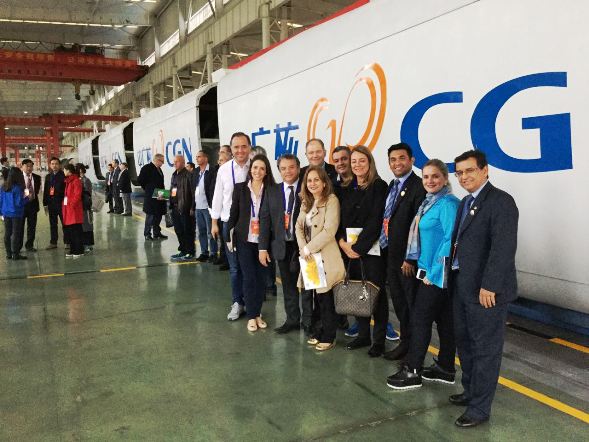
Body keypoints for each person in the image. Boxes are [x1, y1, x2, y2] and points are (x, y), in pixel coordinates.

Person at [449, 150, 519, 428]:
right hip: (462, 286)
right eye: (459, 173)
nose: (464, 177)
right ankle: (470, 391)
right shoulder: (466, 202)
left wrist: (490, 285)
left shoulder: (501, 202)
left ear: (485, 170)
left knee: (485, 349)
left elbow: (503, 248)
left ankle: (479, 409)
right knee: (465, 343)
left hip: (485, 291)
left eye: (469, 170)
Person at [386, 159, 460, 390]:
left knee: (420, 320)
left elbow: (451, 240)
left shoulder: (448, 204)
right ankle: (445, 368)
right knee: (444, 321)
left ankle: (413, 370)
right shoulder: (430, 202)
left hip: (437, 276)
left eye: (435, 176)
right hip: (428, 272)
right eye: (426, 176)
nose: (430, 180)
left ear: (445, 178)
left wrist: (435, 273)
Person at [337, 146, 389, 357]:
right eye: (354, 161)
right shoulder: (347, 188)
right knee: (358, 291)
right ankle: (363, 335)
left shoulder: (379, 186)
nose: (357, 165)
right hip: (349, 250)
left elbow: (376, 220)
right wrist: (343, 244)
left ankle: (379, 341)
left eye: (362, 161)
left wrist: (358, 248)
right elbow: (341, 219)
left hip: (371, 251)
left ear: (370, 162)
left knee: (376, 296)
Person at [380, 143, 426, 361]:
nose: (397, 163)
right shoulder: (393, 185)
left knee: (410, 305)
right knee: (399, 302)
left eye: (402, 158)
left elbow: (418, 227)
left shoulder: (418, 187)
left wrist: (410, 258)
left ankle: (412, 350)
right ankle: (405, 343)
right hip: (391, 255)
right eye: (393, 159)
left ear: (412, 160)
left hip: (406, 260)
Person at [295, 166, 345, 351]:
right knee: (317, 296)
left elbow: (329, 230)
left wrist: (308, 248)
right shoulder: (306, 202)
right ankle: (318, 331)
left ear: (324, 183)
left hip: (325, 256)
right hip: (309, 258)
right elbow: (298, 227)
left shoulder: (331, 200)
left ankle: (329, 336)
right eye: (309, 180)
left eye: (316, 179)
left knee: (326, 298)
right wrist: (303, 248)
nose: (312, 183)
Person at [226, 154, 275, 332]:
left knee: (261, 279)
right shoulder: (240, 188)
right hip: (244, 240)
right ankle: (251, 316)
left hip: (263, 242)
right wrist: (227, 237)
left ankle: (257, 313)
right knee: (249, 277)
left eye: (262, 168)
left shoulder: (271, 190)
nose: (258, 171)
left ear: (266, 171)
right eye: (255, 167)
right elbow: (233, 214)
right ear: (250, 169)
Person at [259, 154, 304, 334]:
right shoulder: (272, 191)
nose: (288, 171)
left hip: (304, 246)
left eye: (291, 167)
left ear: (298, 168)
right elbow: (265, 220)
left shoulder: (307, 187)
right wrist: (263, 248)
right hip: (282, 245)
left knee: (309, 287)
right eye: (283, 168)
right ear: (279, 171)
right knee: (288, 286)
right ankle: (292, 320)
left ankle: (310, 322)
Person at [211, 132, 252, 320]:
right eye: (236, 147)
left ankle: (252, 303)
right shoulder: (224, 170)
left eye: (244, 146)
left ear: (249, 147)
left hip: (252, 224)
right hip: (230, 224)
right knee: (235, 267)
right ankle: (237, 302)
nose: (240, 150)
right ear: (231, 149)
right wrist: (214, 222)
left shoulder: (256, 167)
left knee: (251, 266)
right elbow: (218, 196)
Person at [169, 155, 196, 262]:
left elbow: (193, 193)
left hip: (185, 208)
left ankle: (190, 251)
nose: (175, 163)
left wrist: (192, 208)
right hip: (175, 207)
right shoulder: (174, 175)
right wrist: (168, 198)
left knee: (188, 231)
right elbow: (173, 190)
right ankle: (183, 250)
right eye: (174, 162)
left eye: (177, 161)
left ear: (183, 163)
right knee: (179, 230)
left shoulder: (188, 175)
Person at [193, 150, 217, 262]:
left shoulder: (212, 171)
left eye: (199, 156)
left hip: (208, 207)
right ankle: (204, 252)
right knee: (201, 231)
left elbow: (214, 189)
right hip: (198, 207)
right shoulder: (196, 171)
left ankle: (213, 253)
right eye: (196, 157)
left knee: (210, 232)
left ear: (206, 158)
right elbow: (193, 188)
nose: (197, 159)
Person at [137, 153, 168, 241]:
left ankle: (157, 233)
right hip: (151, 196)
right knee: (150, 216)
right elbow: (140, 180)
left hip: (160, 194)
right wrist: (148, 189)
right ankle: (147, 234)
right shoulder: (147, 168)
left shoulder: (159, 169)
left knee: (159, 215)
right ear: (157, 160)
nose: (163, 163)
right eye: (162, 161)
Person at [0, 167, 28, 259]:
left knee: (7, 233)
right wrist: (27, 198)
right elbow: (19, 203)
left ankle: (9, 254)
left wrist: (1, 212)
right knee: (15, 233)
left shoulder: (4, 186)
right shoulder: (17, 188)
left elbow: (0, 200)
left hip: (6, 213)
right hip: (16, 213)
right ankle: (15, 254)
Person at [43, 157, 66, 249]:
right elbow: (46, 190)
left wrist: (66, 202)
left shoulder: (64, 176)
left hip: (61, 203)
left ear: (59, 165)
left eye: (56, 164)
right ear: (50, 165)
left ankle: (67, 242)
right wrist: (45, 203)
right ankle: (53, 242)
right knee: (53, 224)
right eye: (52, 164)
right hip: (51, 204)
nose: (54, 166)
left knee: (65, 224)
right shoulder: (48, 176)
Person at [62, 164, 84, 258]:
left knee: (76, 231)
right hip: (69, 210)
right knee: (71, 232)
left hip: (74, 210)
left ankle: (79, 251)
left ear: (68, 171)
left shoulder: (76, 181)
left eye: (64, 170)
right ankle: (73, 249)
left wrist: (71, 205)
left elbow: (77, 195)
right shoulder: (69, 181)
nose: (63, 171)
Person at [214, 147, 230, 269]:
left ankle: (227, 260)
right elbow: (215, 194)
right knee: (222, 238)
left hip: (228, 214)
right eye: (219, 160)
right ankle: (224, 258)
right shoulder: (217, 172)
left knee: (228, 240)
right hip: (218, 211)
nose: (219, 162)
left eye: (222, 160)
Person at [20, 159, 41, 252]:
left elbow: (37, 191)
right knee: (20, 227)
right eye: (27, 166)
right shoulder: (18, 177)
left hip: (33, 206)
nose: (29, 168)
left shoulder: (37, 177)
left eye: (31, 166)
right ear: (22, 166)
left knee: (32, 227)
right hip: (21, 206)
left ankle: (29, 245)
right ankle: (18, 246)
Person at [77, 164, 95, 253]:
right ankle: (85, 244)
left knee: (87, 226)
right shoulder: (79, 179)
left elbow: (87, 195)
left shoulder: (85, 180)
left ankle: (88, 245)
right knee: (83, 226)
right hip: (81, 207)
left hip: (85, 207)